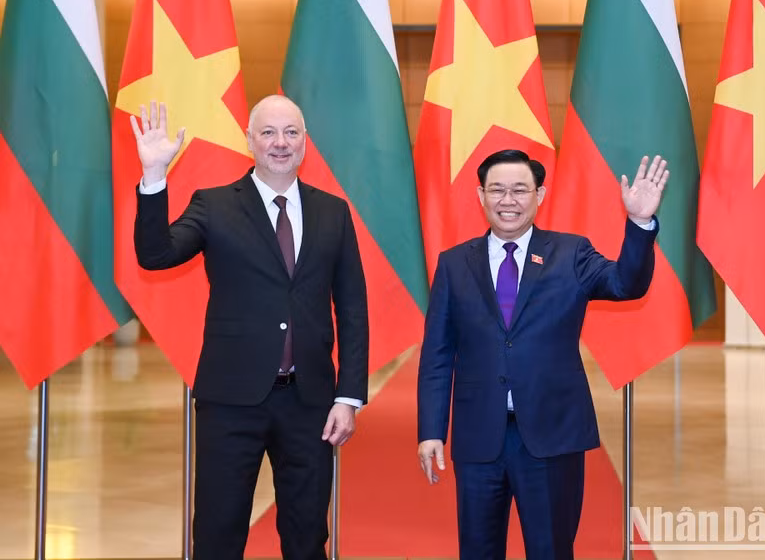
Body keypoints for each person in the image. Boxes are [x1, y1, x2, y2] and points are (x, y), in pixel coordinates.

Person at [131, 95, 369, 560]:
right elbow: (155, 255)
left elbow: (354, 309)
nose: (280, 143)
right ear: (249, 140)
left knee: (306, 538)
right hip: (230, 402)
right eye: (268, 132)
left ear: (305, 142)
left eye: (291, 133)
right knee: (219, 535)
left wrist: (349, 396)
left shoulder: (333, 212)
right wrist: (155, 176)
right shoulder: (215, 205)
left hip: (311, 405)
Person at [417, 148, 667, 559]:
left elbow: (627, 284)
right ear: (480, 196)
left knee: (551, 549)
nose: (508, 200)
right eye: (497, 190)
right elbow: (438, 354)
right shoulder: (454, 263)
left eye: (520, 190)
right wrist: (430, 429)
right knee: (477, 550)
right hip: (479, 438)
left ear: (540, 195)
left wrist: (640, 223)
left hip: (552, 437)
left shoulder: (571, 254)